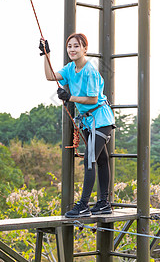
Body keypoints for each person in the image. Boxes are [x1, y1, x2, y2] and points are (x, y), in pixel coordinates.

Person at [40, 33, 115, 218]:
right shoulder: (70, 68)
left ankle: (83, 205)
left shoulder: (90, 71)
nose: (72, 50)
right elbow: (50, 76)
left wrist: (70, 98)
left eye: (76, 46)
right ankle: (103, 203)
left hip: (101, 119)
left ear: (85, 49)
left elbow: (93, 99)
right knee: (102, 160)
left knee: (90, 159)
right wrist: (46, 55)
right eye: (69, 46)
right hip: (89, 122)